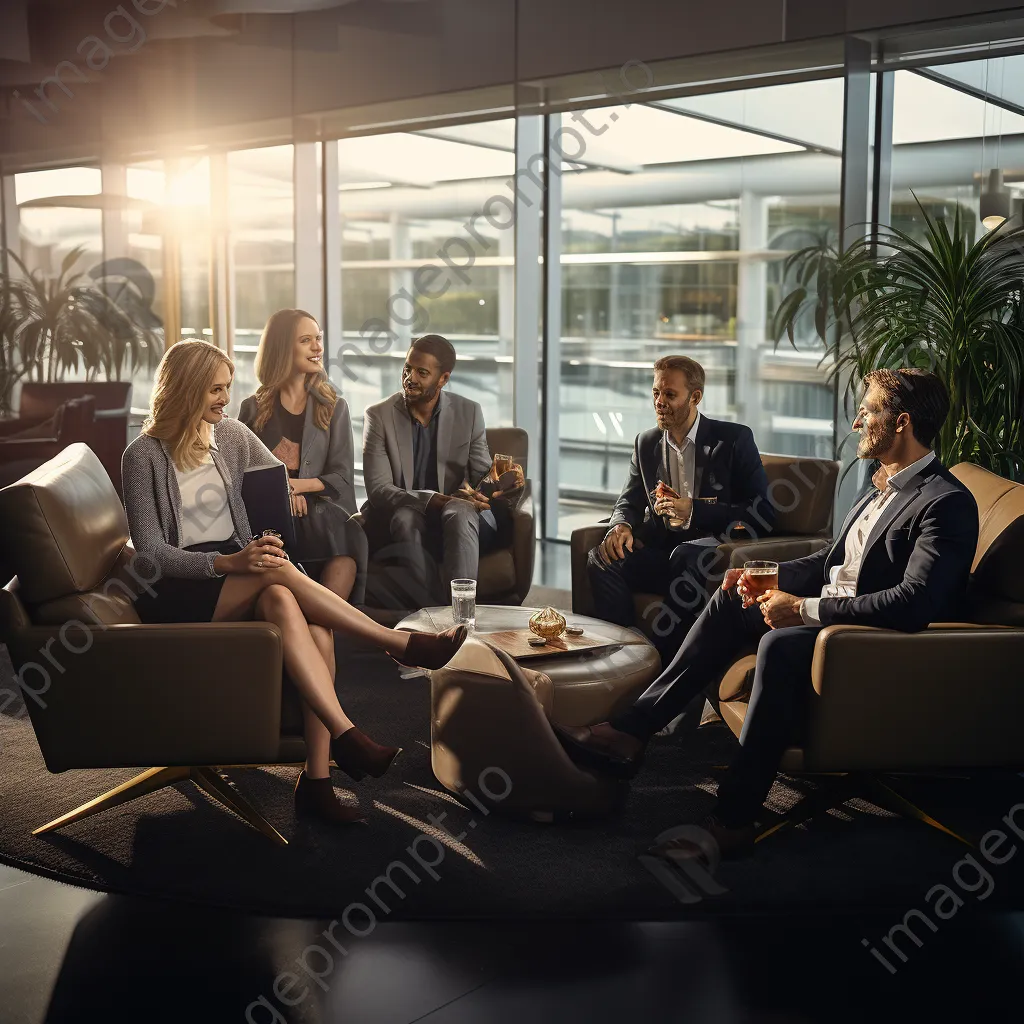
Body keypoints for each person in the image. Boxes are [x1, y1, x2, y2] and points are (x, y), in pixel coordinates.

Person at [559, 368, 979, 857]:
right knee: (726, 597)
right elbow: (831, 561)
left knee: (779, 643)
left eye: (868, 410)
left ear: (901, 421)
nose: (858, 419)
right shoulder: (880, 485)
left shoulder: (945, 502)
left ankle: (733, 819)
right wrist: (767, 576)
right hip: (832, 616)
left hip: (864, 641)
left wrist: (803, 609)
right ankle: (630, 732)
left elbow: (915, 603)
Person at [121, 340, 468, 828]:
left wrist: (280, 510)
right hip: (179, 587)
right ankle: (396, 644)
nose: (225, 399)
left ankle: (319, 778)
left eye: (226, 388)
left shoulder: (231, 436)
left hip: (241, 569)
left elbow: (280, 479)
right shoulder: (142, 456)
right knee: (277, 574)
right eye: (216, 390)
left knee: (295, 607)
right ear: (187, 389)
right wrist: (230, 563)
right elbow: (152, 550)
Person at [588, 355, 773, 662]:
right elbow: (628, 501)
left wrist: (695, 510)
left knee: (686, 555)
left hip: (713, 557)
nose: (659, 402)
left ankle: (663, 660)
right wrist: (620, 526)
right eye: (655, 393)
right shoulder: (646, 443)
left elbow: (762, 512)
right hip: (665, 554)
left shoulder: (733, 439)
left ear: (695, 397)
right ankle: (622, 650)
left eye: (670, 395)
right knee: (602, 558)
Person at [361, 334, 521, 606]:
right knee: (405, 517)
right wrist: (434, 500)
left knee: (459, 510)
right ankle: (428, 614)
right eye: (407, 368)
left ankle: (461, 616)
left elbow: (482, 475)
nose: (410, 378)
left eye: (422, 373)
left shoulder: (469, 412)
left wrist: (500, 485)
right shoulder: (378, 416)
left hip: (459, 521)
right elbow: (379, 491)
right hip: (405, 517)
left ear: (443, 379)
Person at [238, 308, 368, 603]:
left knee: (346, 537)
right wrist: (281, 492)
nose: (317, 347)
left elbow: (343, 477)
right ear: (283, 347)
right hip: (270, 515)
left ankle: (323, 627)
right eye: (306, 340)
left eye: (318, 339)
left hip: (322, 510)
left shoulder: (335, 406)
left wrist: (296, 486)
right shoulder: (252, 409)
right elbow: (241, 475)